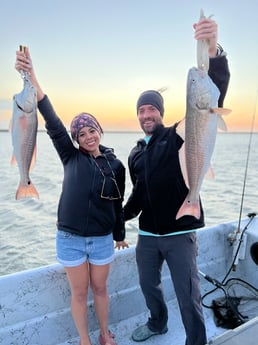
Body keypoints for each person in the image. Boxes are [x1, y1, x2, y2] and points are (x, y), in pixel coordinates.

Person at [123, 17, 230, 345]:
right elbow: (139, 194)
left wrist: (213, 50)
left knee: (188, 293)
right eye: (141, 111)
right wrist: (116, 218)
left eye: (152, 109)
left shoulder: (178, 136)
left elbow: (212, 91)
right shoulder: (136, 153)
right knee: (148, 286)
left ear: (161, 112)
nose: (146, 115)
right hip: (147, 236)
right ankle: (158, 324)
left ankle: (196, 340)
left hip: (180, 232)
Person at [15, 48, 129, 345]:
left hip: (103, 238)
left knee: (100, 290)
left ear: (99, 131)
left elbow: (117, 204)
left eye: (92, 130)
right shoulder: (70, 156)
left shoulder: (116, 165)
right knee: (79, 293)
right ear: (76, 140)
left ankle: (104, 334)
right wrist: (30, 74)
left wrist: (119, 234)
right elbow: (50, 116)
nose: (88, 136)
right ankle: (84, 339)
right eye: (82, 134)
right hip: (70, 239)